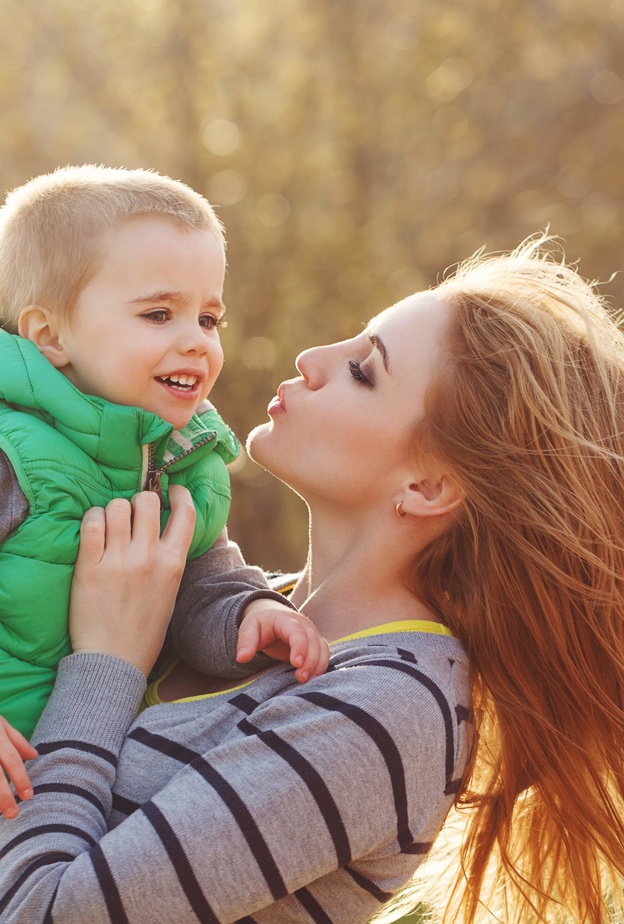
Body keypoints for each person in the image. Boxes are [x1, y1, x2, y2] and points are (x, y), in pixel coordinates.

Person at [1, 236, 623, 924]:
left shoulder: (386, 710)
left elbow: (41, 912)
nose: (311, 359)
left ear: (428, 485)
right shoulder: (223, 601)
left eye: (363, 369)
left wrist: (105, 665)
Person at [0, 165, 327, 806]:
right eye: (158, 314)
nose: (196, 343)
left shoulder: (188, 462)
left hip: (79, 777)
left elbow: (202, 580)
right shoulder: (12, 456)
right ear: (51, 336)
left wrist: (249, 614)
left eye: (209, 319)